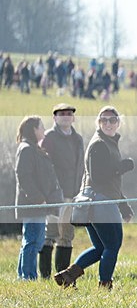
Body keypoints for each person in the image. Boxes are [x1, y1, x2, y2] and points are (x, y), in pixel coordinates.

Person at [54, 106, 134, 289]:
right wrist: (122, 167)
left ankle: (68, 275)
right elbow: (99, 178)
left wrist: (123, 206)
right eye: (104, 120)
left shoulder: (108, 143)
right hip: (99, 202)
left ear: (118, 123)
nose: (108, 123)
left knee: (100, 248)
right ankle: (105, 285)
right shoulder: (99, 144)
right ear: (98, 122)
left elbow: (110, 183)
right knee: (112, 246)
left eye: (112, 120)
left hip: (95, 201)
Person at [14, 116, 63, 280]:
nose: (44, 130)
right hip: (33, 204)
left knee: (33, 239)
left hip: (38, 203)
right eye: (41, 127)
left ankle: (24, 276)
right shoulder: (27, 149)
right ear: (34, 129)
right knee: (33, 241)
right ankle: (28, 277)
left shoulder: (33, 148)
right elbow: (24, 176)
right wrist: (38, 198)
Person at [39, 103, 85, 279]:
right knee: (50, 234)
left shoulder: (78, 138)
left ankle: (62, 274)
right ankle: (44, 275)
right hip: (54, 194)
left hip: (73, 193)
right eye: (62, 114)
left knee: (66, 235)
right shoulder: (49, 137)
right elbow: (43, 166)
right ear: (55, 118)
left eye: (69, 113)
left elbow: (81, 165)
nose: (66, 116)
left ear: (73, 117)